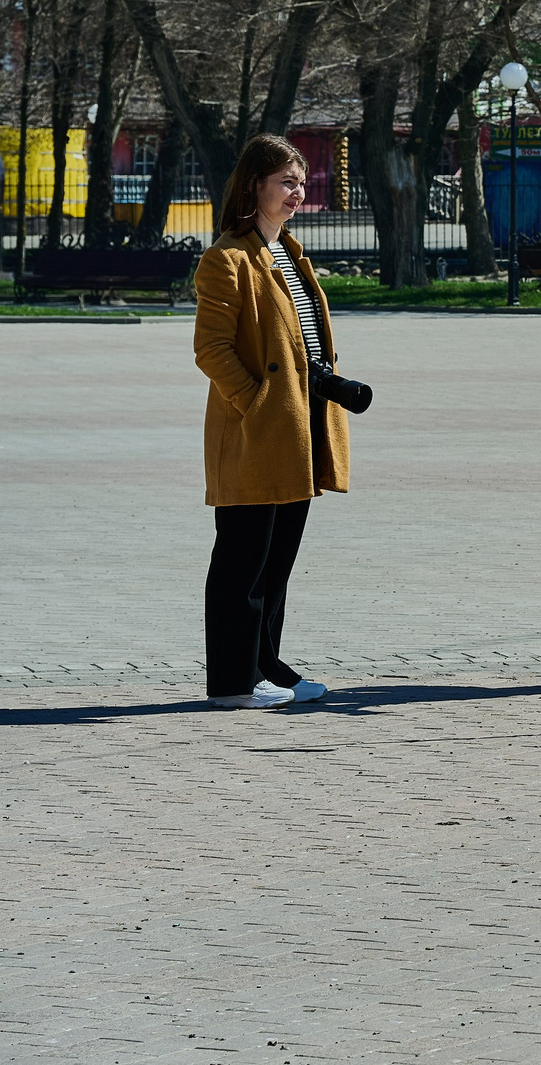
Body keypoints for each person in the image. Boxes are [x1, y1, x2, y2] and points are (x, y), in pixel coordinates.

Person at [192, 135, 350, 709]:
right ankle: (233, 682)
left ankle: (265, 665)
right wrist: (256, 403)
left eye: (300, 183)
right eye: (285, 182)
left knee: (277, 562)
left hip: (300, 425)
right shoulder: (227, 258)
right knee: (243, 561)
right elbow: (211, 349)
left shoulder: (289, 252)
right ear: (254, 185)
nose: (297, 193)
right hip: (257, 430)